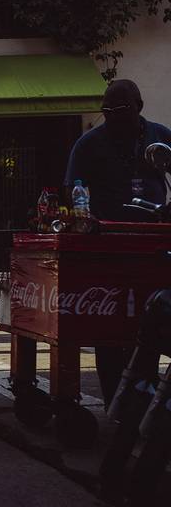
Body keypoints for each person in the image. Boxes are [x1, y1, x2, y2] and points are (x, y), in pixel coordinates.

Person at [65, 79, 171, 406]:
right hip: (108, 246)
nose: (113, 118)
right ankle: (116, 403)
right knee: (108, 329)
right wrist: (84, 218)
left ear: (139, 106)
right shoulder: (89, 144)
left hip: (154, 244)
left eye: (121, 111)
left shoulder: (160, 137)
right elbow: (72, 190)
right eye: (107, 112)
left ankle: (146, 394)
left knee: (152, 324)